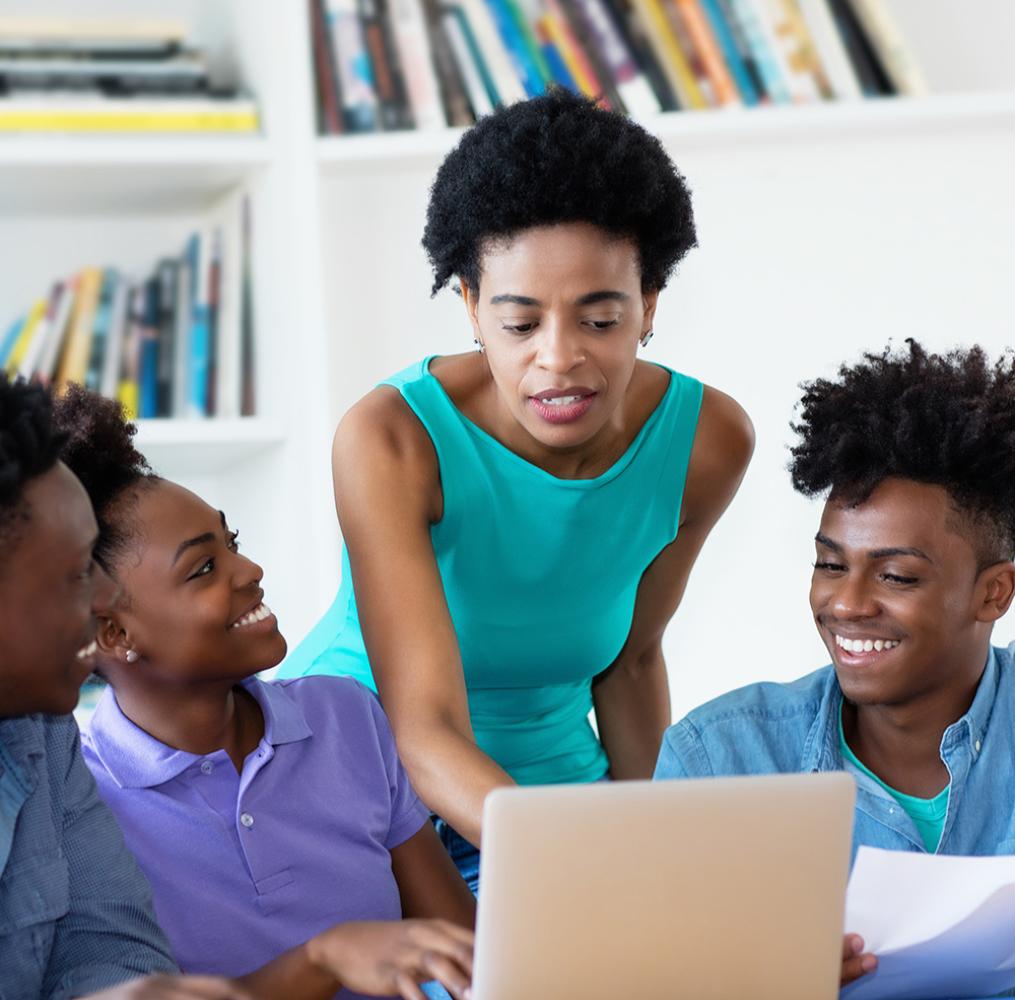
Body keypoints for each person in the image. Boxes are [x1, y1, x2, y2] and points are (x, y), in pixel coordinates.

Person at [280, 88, 754, 887]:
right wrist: (566, 862)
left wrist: (661, 861)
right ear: (468, 306)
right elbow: (421, 726)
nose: (558, 358)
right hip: (365, 800)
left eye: (599, 320)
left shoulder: (706, 442)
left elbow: (631, 664)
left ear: (648, 307)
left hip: (552, 800)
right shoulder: (393, 440)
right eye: (519, 322)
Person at [53, 387, 476, 1000]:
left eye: (232, 542)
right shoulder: (87, 804)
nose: (248, 570)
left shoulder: (346, 715)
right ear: (114, 633)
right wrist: (323, 958)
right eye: (203, 568)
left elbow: (466, 952)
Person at [655, 340, 1015, 986]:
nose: (845, 604)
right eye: (828, 564)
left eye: (896, 576)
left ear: (993, 592)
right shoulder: (720, 761)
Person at [0, 374, 250, 1000]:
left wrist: (127, 994)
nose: (109, 599)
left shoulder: (45, 738)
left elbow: (107, 942)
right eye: (76, 573)